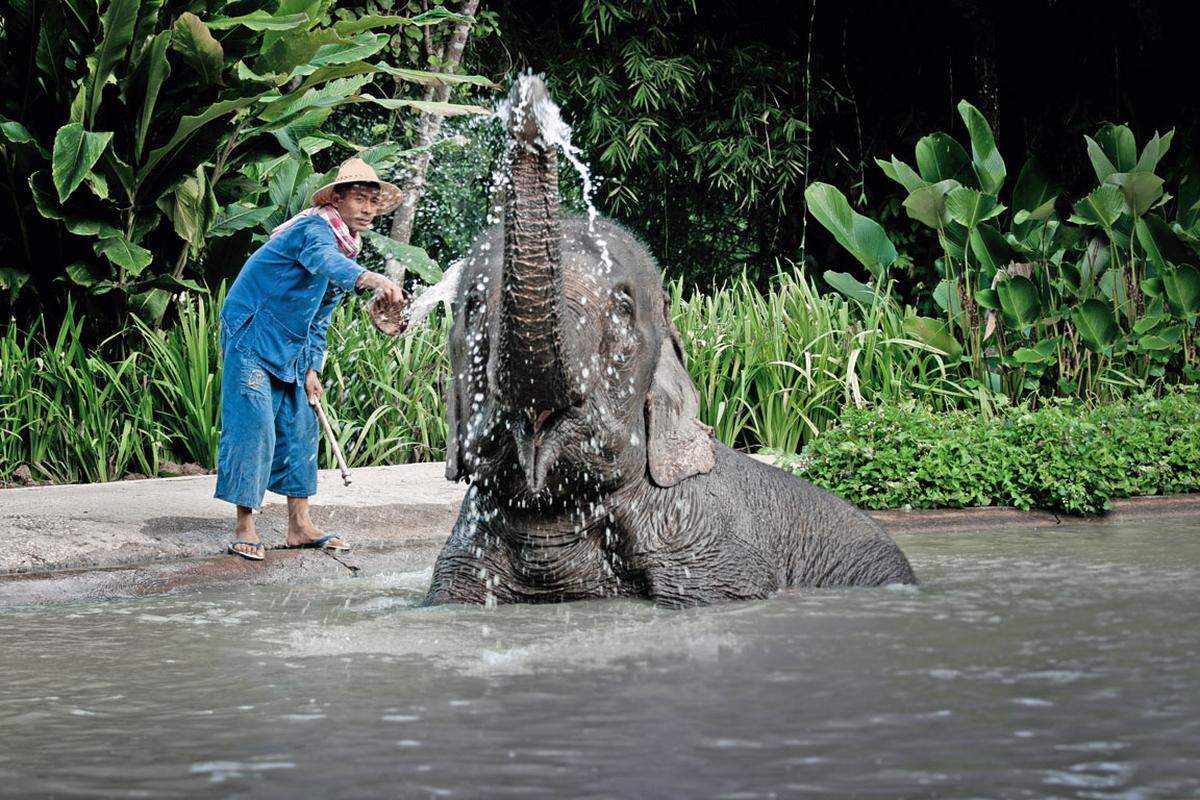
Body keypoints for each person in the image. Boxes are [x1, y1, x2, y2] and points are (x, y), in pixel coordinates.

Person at [216, 158, 406, 560]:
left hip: (290, 346)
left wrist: (312, 366)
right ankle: (244, 526)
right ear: (336, 198)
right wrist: (372, 278)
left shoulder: (345, 245)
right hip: (250, 333)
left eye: (373, 201)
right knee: (254, 427)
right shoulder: (314, 229)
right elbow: (324, 261)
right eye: (359, 198)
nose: (368, 208)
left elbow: (320, 314)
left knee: (301, 425)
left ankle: (299, 526)